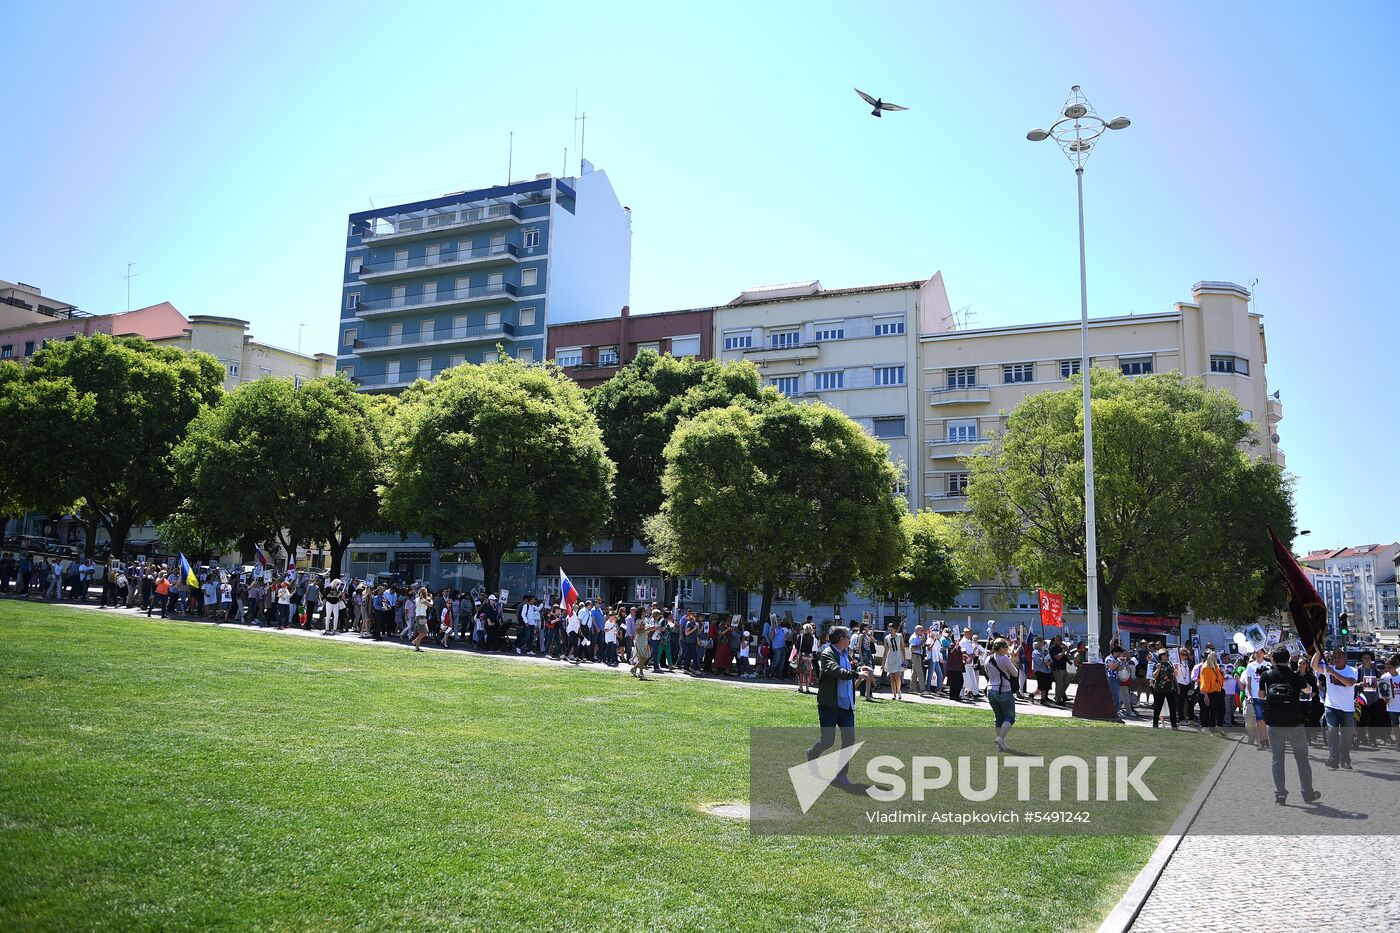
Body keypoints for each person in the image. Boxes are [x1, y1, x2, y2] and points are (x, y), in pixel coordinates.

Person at [804, 626, 870, 792]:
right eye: (847, 637)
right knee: (828, 741)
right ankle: (812, 754)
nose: (849, 640)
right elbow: (835, 671)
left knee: (849, 740)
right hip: (830, 706)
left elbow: (847, 672)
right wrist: (855, 674)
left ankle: (841, 775)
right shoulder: (827, 654)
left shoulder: (845, 654)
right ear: (841, 639)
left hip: (846, 707)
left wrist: (858, 671)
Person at [1260, 646, 1322, 805]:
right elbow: (1308, 691)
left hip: (1274, 723)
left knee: (1277, 759)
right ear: (1288, 659)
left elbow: (1261, 695)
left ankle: (1280, 794)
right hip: (1295, 723)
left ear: (1273, 659)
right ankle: (1307, 792)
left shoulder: (1267, 675)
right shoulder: (1295, 676)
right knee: (1302, 759)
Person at [1313, 646, 1356, 770]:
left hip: (1347, 709)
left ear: (1345, 658)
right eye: (1335, 656)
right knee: (1332, 732)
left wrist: (1333, 673)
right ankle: (1333, 758)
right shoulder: (1328, 669)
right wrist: (1317, 651)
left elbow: (1350, 683)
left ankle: (1345, 759)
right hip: (1331, 707)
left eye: (1340, 656)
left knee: (1346, 736)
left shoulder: (1352, 670)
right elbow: (1314, 666)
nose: (1337, 658)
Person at [1151, 650, 1178, 729]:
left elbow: (1173, 676)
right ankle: (1155, 724)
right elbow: (1154, 676)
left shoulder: (1170, 664)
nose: (1168, 657)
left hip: (1170, 689)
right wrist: (1158, 668)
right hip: (1160, 689)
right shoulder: (1157, 664)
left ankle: (1174, 725)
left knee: (1172, 707)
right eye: (1166, 655)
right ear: (1162, 656)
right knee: (1158, 707)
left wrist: (1177, 686)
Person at [1199, 650, 1225, 732]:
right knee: (1209, 711)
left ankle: (1216, 727)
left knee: (1220, 710)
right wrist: (1205, 696)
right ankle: (1208, 727)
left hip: (1218, 691)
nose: (1217, 658)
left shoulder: (1216, 666)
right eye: (1215, 656)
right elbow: (1204, 682)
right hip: (1209, 692)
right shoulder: (1205, 668)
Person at [884, 625, 906, 700]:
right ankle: (894, 695)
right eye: (889, 630)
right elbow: (885, 650)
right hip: (891, 657)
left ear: (894, 630)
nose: (890, 631)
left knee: (897, 677)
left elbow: (902, 648)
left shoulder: (899, 636)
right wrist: (883, 663)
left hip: (898, 657)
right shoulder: (887, 638)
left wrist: (904, 659)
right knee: (892, 678)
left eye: (891, 630)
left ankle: (898, 690)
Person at [411, 586, 431, 651]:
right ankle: (416, 645)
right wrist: (431, 599)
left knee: (424, 632)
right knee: (423, 632)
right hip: (421, 617)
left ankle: (415, 643)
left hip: (421, 616)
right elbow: (431, 605)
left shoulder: (417, 599)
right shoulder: (422, 600)